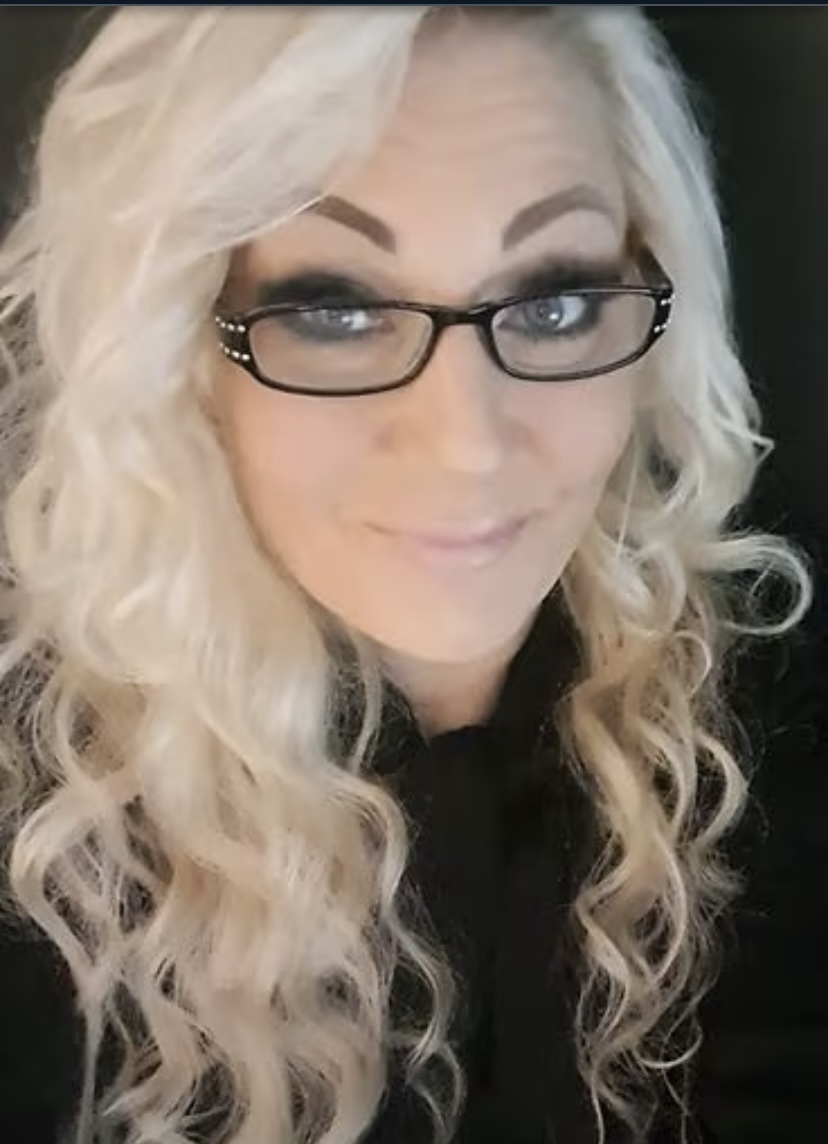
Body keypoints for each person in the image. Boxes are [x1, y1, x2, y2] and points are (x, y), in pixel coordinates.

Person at [0, 6, 818, 1144]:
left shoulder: (771, 691)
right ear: (176, 350)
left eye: (556, 301)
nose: (468, 444)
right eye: (335, 311)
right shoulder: (37, 815)